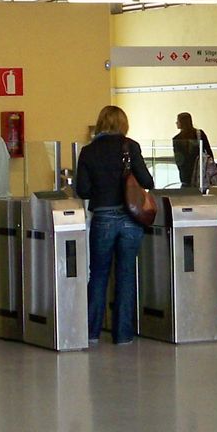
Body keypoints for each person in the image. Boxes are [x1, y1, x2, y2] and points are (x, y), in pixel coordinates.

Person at [74, 104, 154, 346]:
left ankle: (91, 332)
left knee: (98, 274)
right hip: (131, 219)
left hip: (103, 217)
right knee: (126, 274)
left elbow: (83, 190)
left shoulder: (88, 151)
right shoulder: (130, 147)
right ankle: (123, 334)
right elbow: (147, 180)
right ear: (123, 124)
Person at [172, 112, 216, 190]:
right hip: (201, 173)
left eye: (177, 121)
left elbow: (179, 160)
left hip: (186, 176)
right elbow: (209, 152)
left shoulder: (177, 139)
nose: (176, 123)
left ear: (182, 123)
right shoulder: (199, 134)